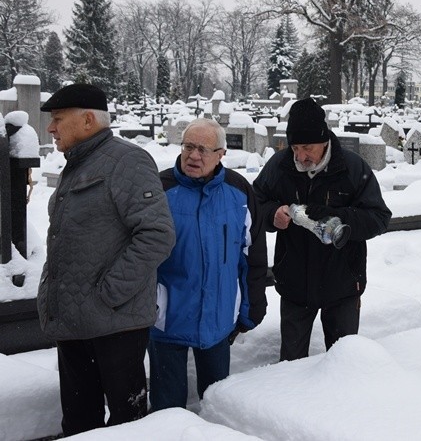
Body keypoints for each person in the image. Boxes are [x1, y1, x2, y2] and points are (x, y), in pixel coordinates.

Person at [37, 83, 175, 436]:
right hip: (74, 323)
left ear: (87, 120)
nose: (51, 128)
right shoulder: (78, 164)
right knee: (80, 425)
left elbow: (157, 234)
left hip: (115, 327)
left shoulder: (126, 161)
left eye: (57, 119)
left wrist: (109, 294)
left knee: (125, 428)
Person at [253, 97, 391, 361]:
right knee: (291, 366)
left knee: (343, 363)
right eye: (295, 147)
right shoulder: (280, 166)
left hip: (342, 285)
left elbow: (379, 218)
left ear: (324, 140)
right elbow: (253, 203)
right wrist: (273, 214)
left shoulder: (351, 168)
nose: (300, 156)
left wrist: (337, 216)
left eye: (307, 147)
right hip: (295, 284)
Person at [148, 118, 269, 410]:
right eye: (188, 146)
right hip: (167, 318)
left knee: (218, 405)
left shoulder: (238, 190)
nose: (193, 155)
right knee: (167, 409)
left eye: (203, 149)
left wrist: (253, 303)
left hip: (218, 318)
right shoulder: (160, 189)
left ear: (221, 154)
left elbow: (253, 253)